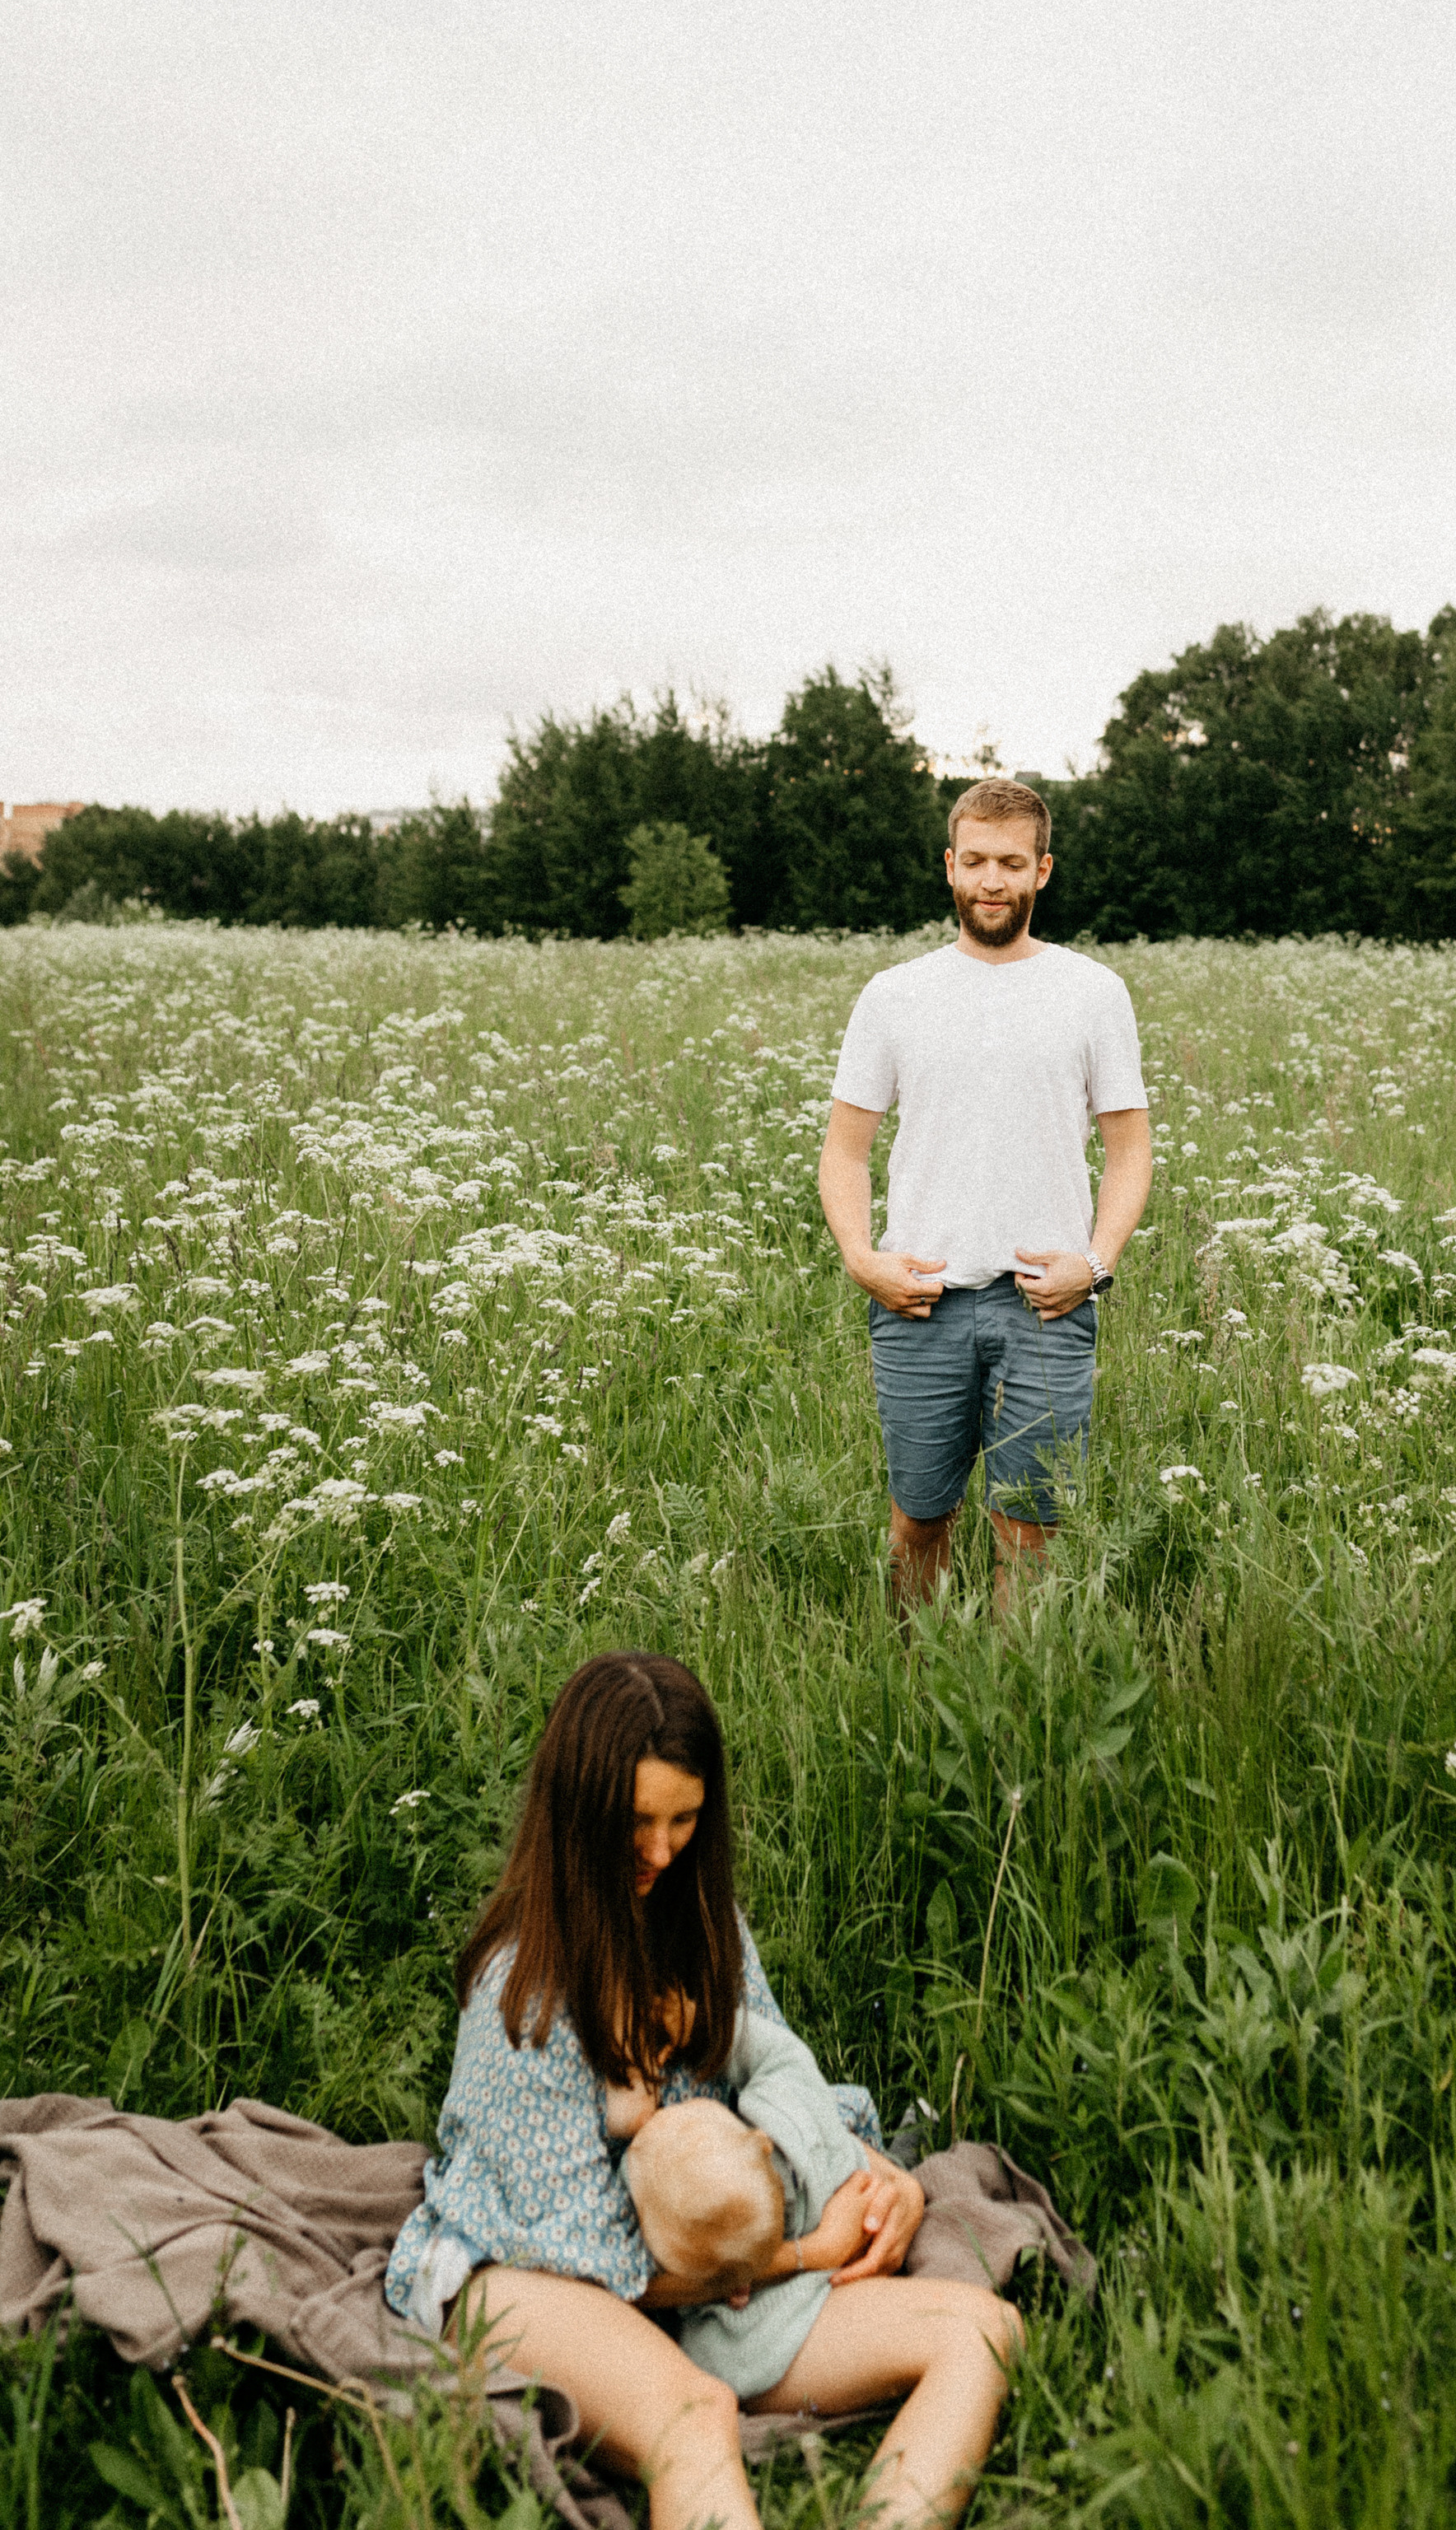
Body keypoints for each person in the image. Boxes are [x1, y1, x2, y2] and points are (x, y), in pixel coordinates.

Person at [385, 1653, 1020, 2530]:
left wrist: (882, 2181)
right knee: (694, 2419)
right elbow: (597, 2263)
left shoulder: (703, 1923)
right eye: (637, 1821)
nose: (658, 1849)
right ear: (580, 1813)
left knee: (983, 2330)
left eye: (683, 1820)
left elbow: (777, 2082)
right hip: (537, 2277)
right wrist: (801, 2253)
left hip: (714, 2283)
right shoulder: (522, 1992)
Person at [818, 777, 1152, 1613]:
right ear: (949, 866)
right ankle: (907, 1684)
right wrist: (863, 1260)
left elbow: (1129, 1149)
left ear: (1042, 870)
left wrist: (1094, 1264)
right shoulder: (894, 994)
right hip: (918, 1299)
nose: (991, 881)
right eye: (974, 862)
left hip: (1047, 1304)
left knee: (1029, 1533)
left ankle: (1010, 1718)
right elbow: (844, 1151)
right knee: (918, 1520)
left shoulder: (1092, 991)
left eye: (1010, 863)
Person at [618, 2005, 866, 2401]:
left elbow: (718, 2363)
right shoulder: (789, 2101)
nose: (653, 2119)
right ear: (759, 2140)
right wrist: (700, 2021)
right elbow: (776, 2051)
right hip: (861, 2198)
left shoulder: (727, 2321)